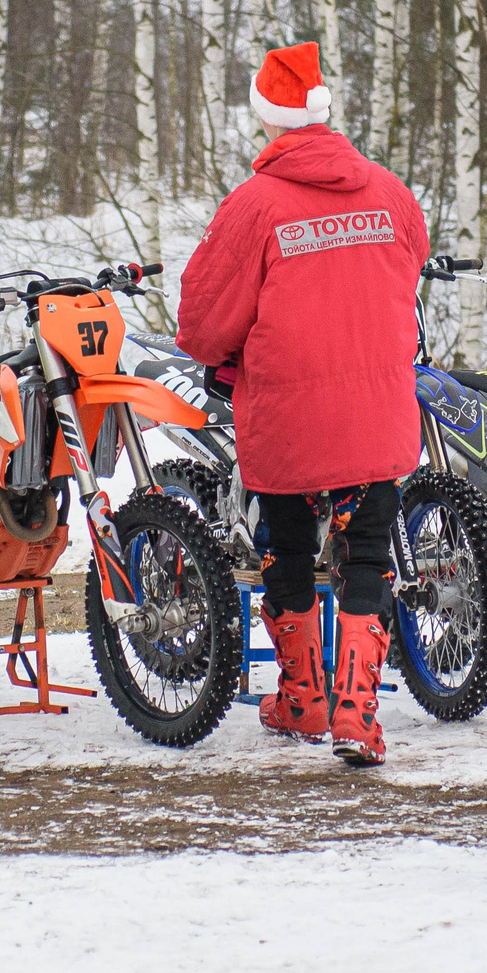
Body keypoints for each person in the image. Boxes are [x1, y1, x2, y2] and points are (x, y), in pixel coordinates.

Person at [174, 41, 430, 767]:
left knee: (286, 541)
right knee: (370, 550)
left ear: (270, 123)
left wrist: (228, 353)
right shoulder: (389, 189)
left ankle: (302, 698)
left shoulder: (255, 205)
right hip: (377, 410)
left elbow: (205, 319)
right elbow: (412, 260)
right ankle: (357, 711)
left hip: (288, 416)